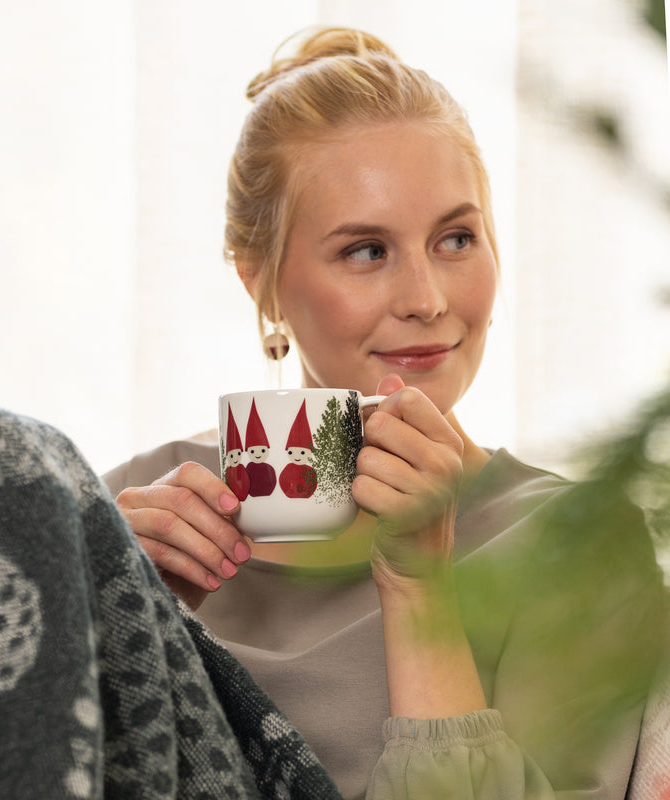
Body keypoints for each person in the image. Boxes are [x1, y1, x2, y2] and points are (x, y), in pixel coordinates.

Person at [104, 27, 665, 799]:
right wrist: (115, 622)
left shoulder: (578, 550)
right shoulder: (131, 506)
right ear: (259, 280)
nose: (427, 300)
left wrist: (418, 589)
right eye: (366, 251)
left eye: (456, 239)